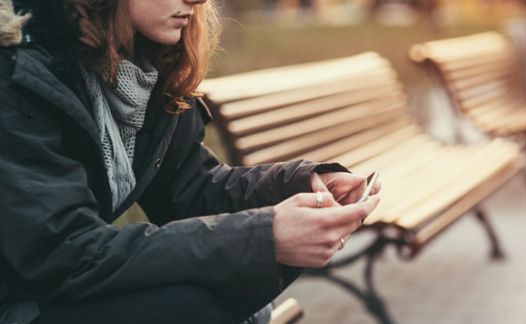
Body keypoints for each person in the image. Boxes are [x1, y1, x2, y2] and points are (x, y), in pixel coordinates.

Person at [0, 0, 381, 323]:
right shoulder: (16, 72)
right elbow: (67, 251)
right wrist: (265, 235)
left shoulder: (143, 66)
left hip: (53, 283)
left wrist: (302, 186)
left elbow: (191, 189)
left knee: (228, 285)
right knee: (196, 303)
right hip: (16, 299)